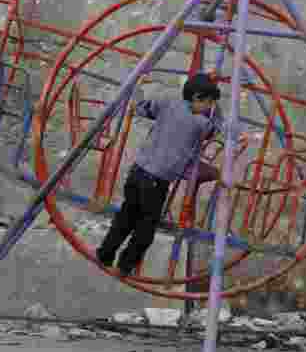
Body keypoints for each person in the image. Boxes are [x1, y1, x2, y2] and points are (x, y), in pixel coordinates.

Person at [96, 73, 227, 277]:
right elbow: (217, 127)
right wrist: (218, 110)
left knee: (126, 217)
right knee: (146, 229)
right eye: (209, 102)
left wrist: (138, 88)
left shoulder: (167, 102)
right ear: (197, 98)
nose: (210, 107)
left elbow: (140, 107)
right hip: (156, 182)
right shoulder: (199, 124)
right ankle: (125, 266)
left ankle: (104, 254)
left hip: (137, 171)